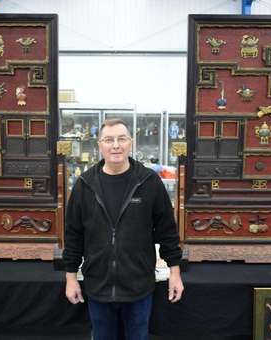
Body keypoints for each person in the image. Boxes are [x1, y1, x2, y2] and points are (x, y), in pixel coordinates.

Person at [63, 118, 184, 340]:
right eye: (109, 140)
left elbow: (167, 230)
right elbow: (73, 235)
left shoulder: (149, 182)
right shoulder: (85, 184)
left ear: (131, 142)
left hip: (138, 286)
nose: (115, 145)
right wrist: (71, 278)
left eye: (121, 139)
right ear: (99, 144)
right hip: (98, 286)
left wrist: (175, 272)